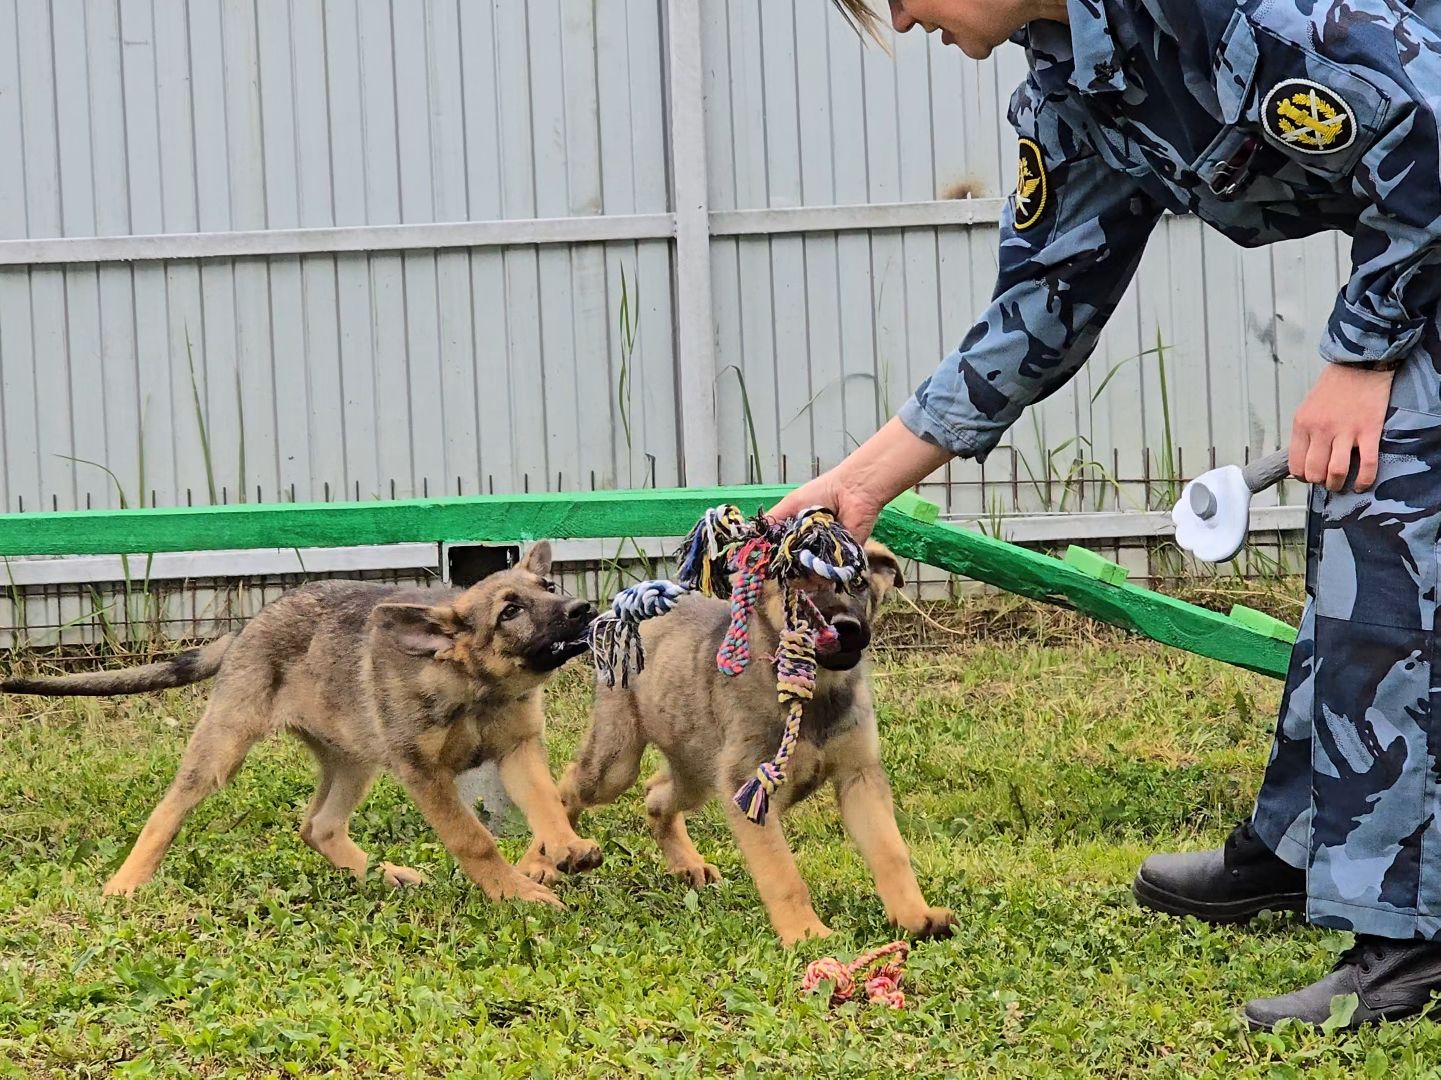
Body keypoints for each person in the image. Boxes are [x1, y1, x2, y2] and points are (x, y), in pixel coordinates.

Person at [769, 0, 1441, 1030]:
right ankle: (1305, 848)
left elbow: (1430, 130)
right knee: (1358, 497)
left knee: (1390, 498)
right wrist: (857, 486)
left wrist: (1362, 353)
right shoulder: (1079, 82)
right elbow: (1042, 303)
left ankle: (1409, 938)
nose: (901, 20)